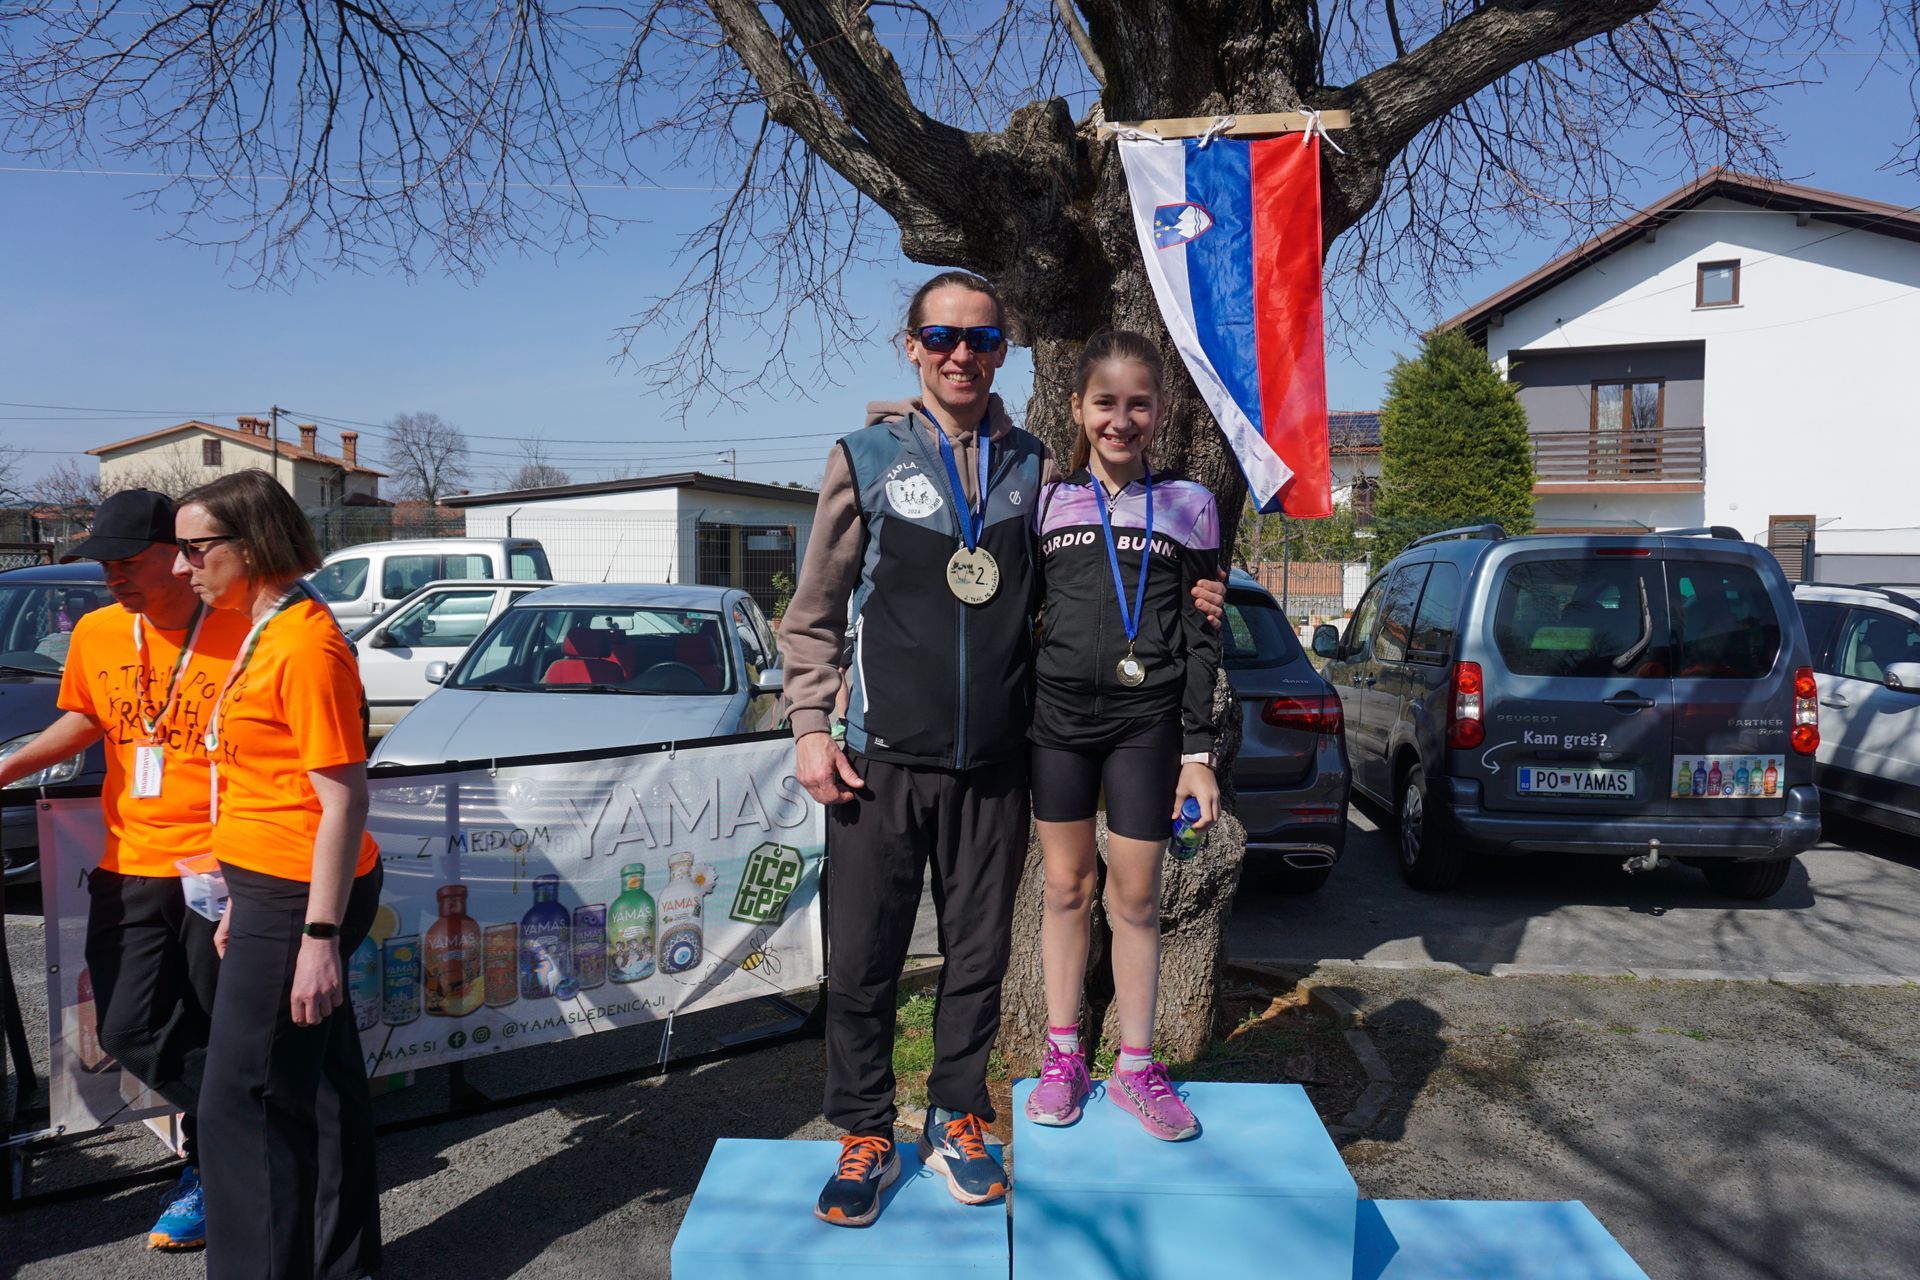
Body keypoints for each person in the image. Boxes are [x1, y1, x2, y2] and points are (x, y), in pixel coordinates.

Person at [781, 273, 1224, 1227]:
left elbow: (1082, 586)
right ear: (912, 345)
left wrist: (1196, 596)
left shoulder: (1037, 470)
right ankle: (864, 1130)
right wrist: (811, 725)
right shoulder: (863, 456)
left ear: (1002, 354)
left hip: (994, 760)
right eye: (943, 336)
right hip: (879, 755)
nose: (961, 354)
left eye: (981, 340)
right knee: (863, 960)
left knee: (978, 958)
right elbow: (813, 611)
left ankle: (957, 1117)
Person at [0, 489, 251, 1250]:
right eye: (103, 563)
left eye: (127, 562)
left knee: (216, 1023)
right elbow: (87, 714)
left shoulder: (247, 628)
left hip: (223, 868)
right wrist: (7, 768)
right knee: (128, 1025)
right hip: (129, 860)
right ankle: (262, 1126)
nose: (112, 577)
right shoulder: (99, 630)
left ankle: (216, 1169)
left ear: (181, 554)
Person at [174, 469, 383, 1280]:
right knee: (319, 1087)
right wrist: (242, 896)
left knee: (245, 1102)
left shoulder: (303, 644)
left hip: (301, 897)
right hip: (274, 888)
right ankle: (341, 1263)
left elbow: (343, 799)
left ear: (252, 543)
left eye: (196, 549)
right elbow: (271, 782)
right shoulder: (266, 628)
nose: (183, 566)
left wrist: (317, 936)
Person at [1023, 330, 1221, 1141]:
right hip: (1057, 722)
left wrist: (1198, 754)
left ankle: (1136, 1066)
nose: (1121, 419)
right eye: (1105, 402)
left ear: (1161, 411)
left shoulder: (1190, 504)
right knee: (1066, 889)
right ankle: (1063, 1056)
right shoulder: (1046, 502)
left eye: (1139, 404)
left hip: (1148, 724)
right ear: (1077, 408)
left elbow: (1205, 634)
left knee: (1136, 898)